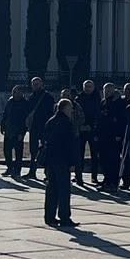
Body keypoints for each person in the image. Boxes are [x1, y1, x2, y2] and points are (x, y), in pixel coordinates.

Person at [41, 97, 80, 228]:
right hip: (62, 160)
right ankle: (64, 217)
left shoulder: (51, 121)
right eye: (70, 108)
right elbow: (69, 145)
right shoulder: (66, 123)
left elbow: (45, 139)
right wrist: (72, 162)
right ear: (65, 108)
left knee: (51, 189)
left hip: (50, 159)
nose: (72, 111)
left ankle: (49, 217)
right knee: (64, 190)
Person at [1, 84, 31, 178]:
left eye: (17, 92)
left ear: (21, 93)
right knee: (7, 151)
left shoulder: (25, 104)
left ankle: (17, 171)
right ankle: (9, 168)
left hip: (18, 132)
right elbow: (5, 115)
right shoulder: (10, 101)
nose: (15, 94)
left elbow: (25, 120)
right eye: (14, 92)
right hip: (8, 131)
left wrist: (22, 133)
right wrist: (2, 126)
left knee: (18, 153)